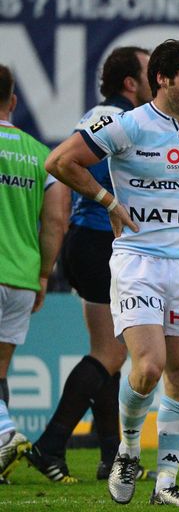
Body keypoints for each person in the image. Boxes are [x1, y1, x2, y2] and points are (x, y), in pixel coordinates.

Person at [44, 39, 179, 506]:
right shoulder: (126, 124)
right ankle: (126, 447)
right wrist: (108, 201)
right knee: (148, 367)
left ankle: (166, 483)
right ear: (161, 79)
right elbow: (60, 162)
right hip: (138, 260)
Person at [24, 46, 155, 484]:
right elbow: (61, 164)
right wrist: (108, 203)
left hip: (91, 241)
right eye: (148, 69)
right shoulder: (113, 117)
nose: (158, 77)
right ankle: (51, 442)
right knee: (112, 352)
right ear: (130, 83)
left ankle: (110, 457)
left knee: (111, 356)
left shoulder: (108, 116)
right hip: (100, 241)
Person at [0, 64, 70, 484]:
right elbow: (56, 220)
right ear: (13, 101)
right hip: (22, 278)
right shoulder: (37, 153)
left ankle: (6, 433)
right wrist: (44, 273)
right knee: (0, 372)